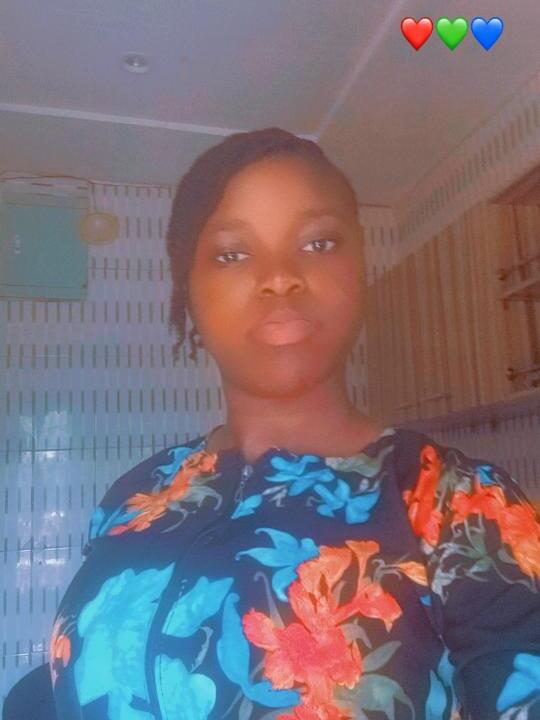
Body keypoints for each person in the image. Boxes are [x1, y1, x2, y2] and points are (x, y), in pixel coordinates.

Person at [46, 128, 540, 720]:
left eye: (318, 242)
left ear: (360, 271)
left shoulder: (462, 505)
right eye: (232, 253)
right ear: (188, 292)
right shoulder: (138, 491)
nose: (279, 276)